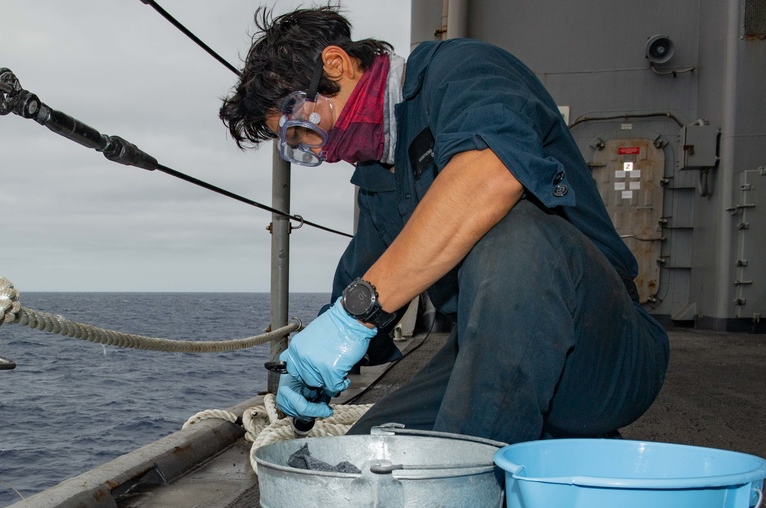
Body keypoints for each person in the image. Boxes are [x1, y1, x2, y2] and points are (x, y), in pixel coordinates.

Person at [220, 5, 669, 444]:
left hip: (603, 351)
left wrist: (353, 317)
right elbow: (362, 284)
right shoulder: (380, 176)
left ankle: (477, 492)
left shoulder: (462, 70)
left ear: (335, 64)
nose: (321, 151)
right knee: (365, 454)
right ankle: (547, 449)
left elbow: (492, 174)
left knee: (516, 239)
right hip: (481, 351)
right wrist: (314, 366)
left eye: (303, 128)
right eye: (296, 144)